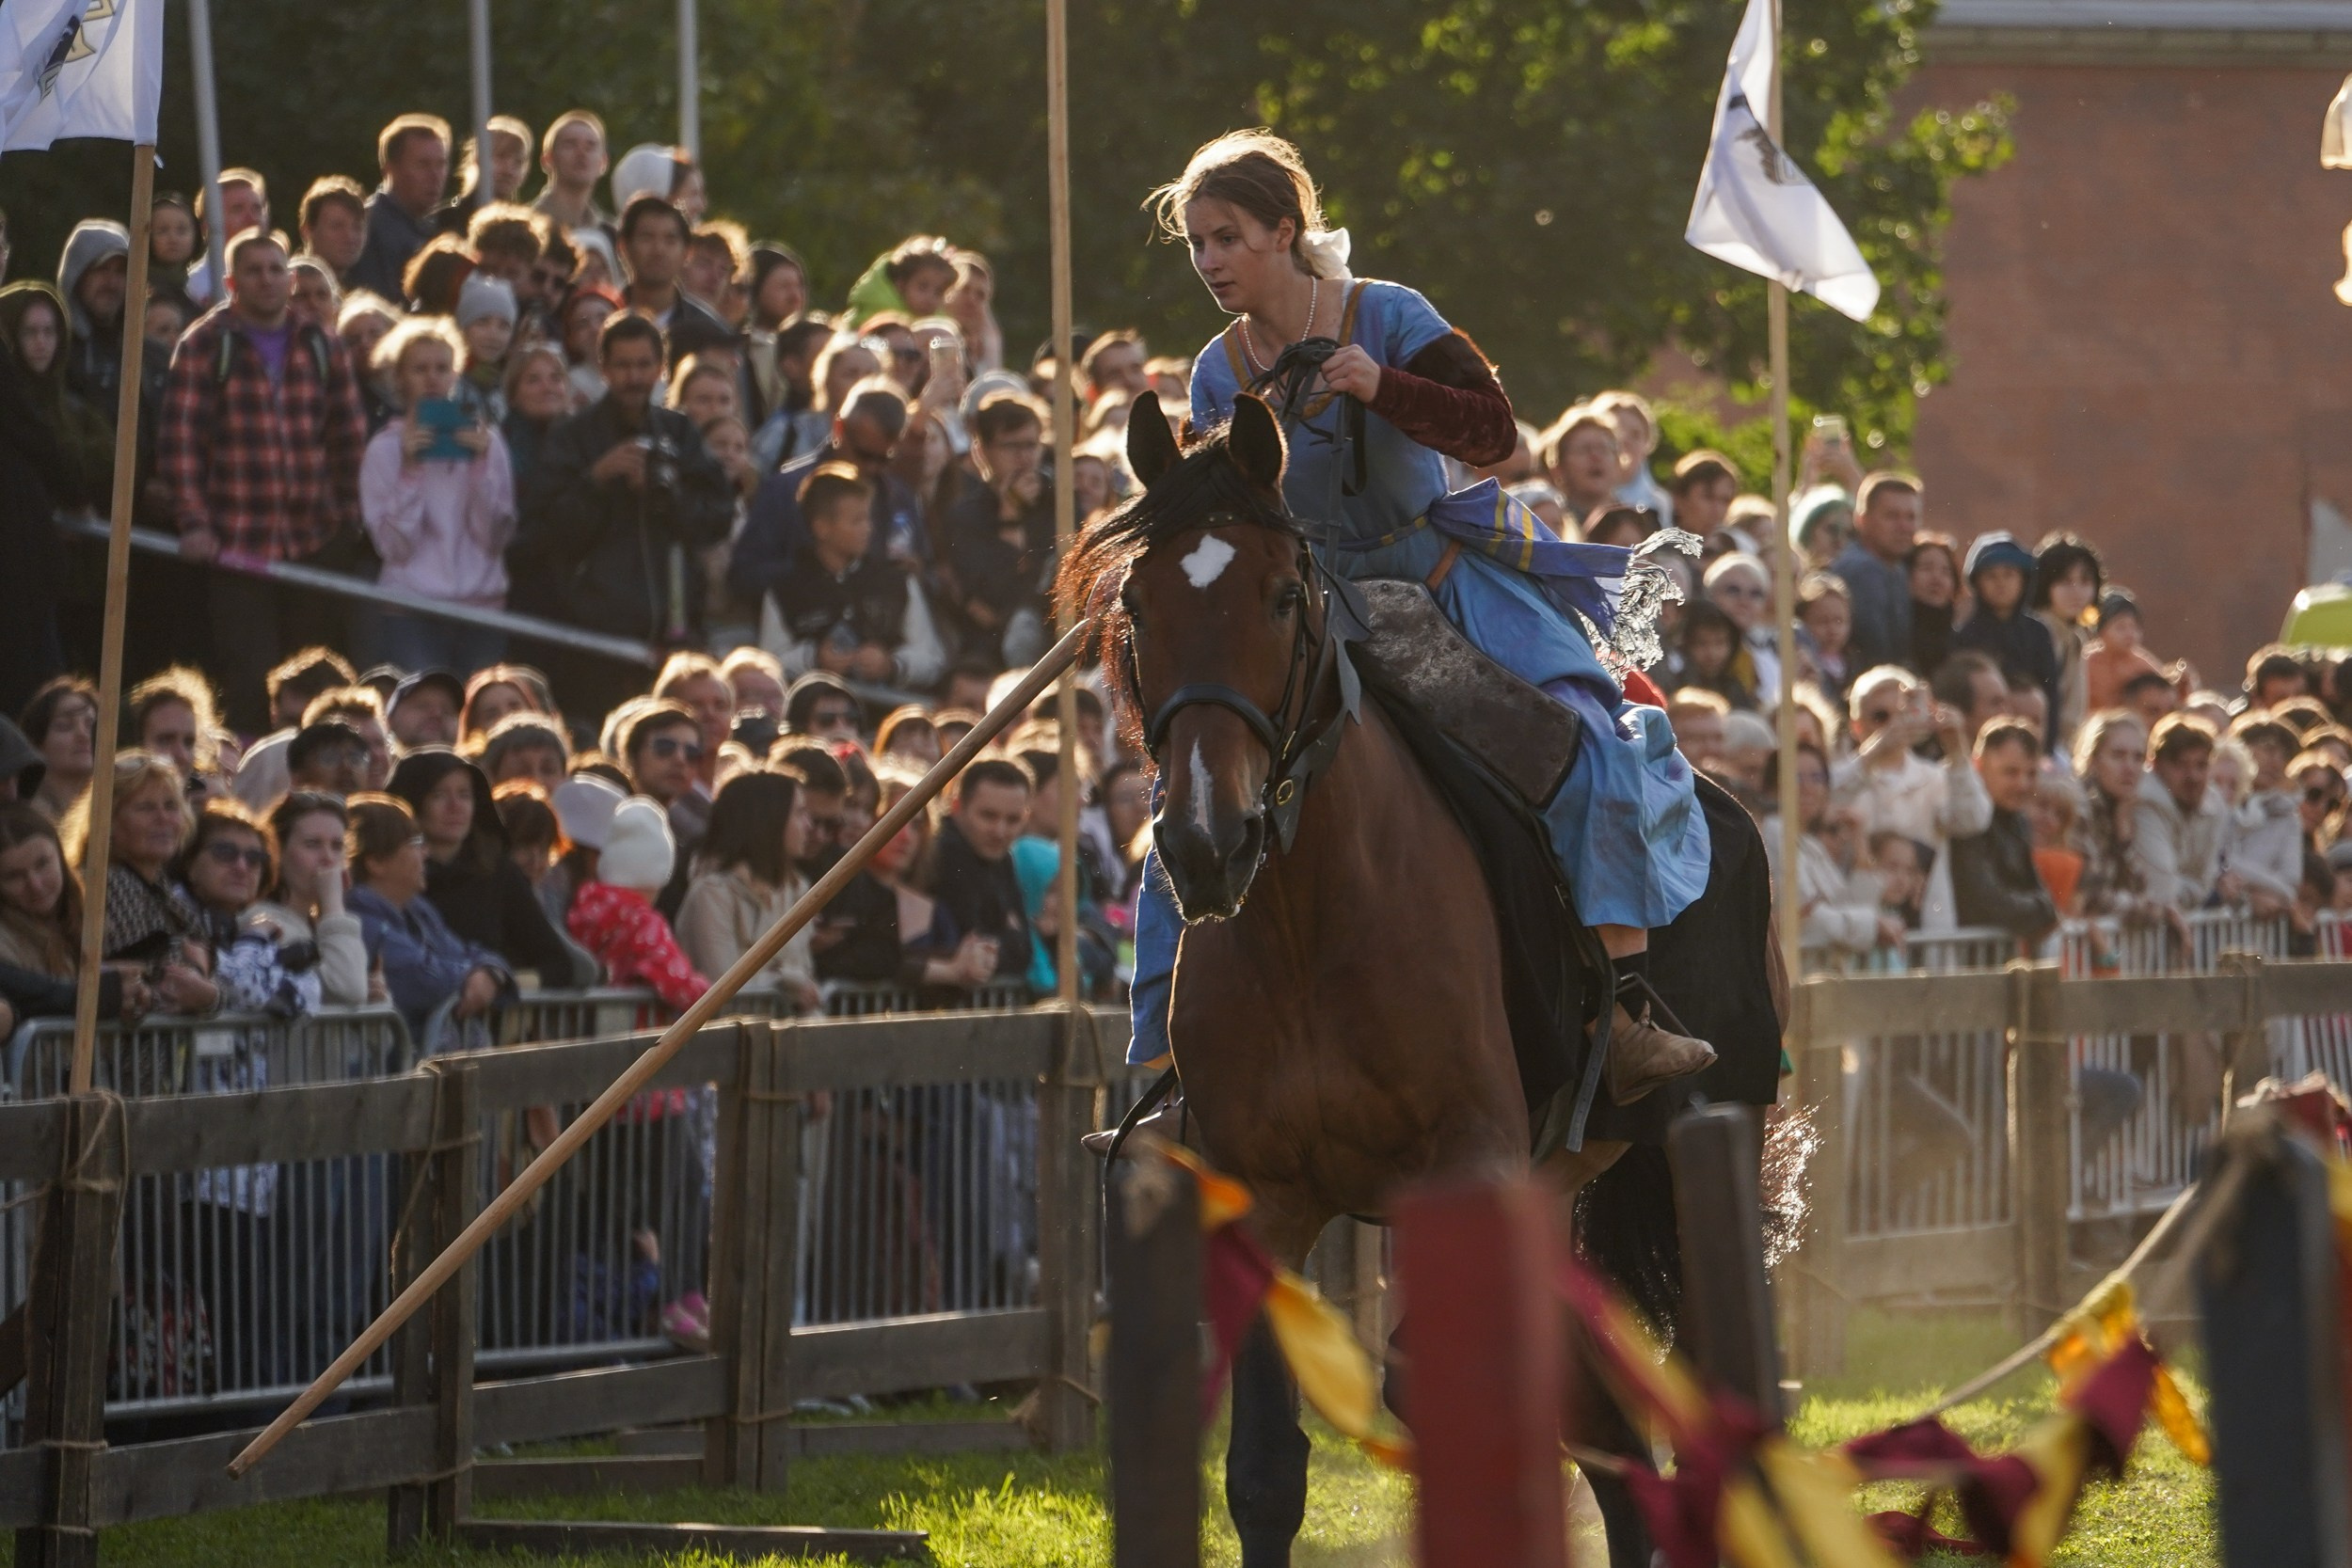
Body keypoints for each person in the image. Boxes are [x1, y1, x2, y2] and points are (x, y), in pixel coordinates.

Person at [158, 230, 369, 729]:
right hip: (237, 542)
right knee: (250, 672)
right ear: (231, 281)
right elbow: (181, 445)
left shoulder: (320, 342)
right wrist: (194, 523)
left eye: (276, 270)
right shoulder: (205, 344)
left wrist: (350, 514)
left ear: (290, 279)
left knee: (313, 675)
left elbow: (349, 435)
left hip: (314, 536)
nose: (267, 280)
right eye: (253, 271)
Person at [510, 312, 732, 668]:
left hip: (673, 636)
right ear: (604, 368)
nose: (634, 377)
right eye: (623, 366)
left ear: (661, 367)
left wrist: (667, 492)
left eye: (643, 365)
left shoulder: (680, 433)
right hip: (593, 641)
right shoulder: (572, 438)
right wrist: (596, 479)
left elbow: (717, 517)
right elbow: (544, 532)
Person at [360, 315, 516, 673]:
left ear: (455, 374)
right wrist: (411, 471)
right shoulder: (383, 450)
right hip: (411, 610)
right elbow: (394, 547)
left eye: (442, 368)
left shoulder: (488, 442)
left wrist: (478, 468)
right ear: (399, 377)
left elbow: (495, 537)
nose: (432, 378)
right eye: (420, 369)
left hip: (482, 606)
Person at [389, 750, 593, 987]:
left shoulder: (498, 873)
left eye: (464, 795)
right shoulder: (391, 872)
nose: (455, 807)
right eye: (439, 795)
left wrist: (501, 984)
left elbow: (558, 962)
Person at [1832, 666, 1990, 934]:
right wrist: (1875, 750)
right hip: (1857, 925)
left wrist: (1958, 752)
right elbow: (1822, 802)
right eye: (1881, 716)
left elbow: (1973, 820)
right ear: (1856, 725)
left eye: (1903, 714)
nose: (1895, 724)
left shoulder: (1935, 778)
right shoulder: (1839, 775)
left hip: (1925, 927)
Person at [346, 793, 515, 1044]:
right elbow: (424, 978)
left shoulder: (419, 911)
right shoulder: (360, 923)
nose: (425, 852)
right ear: (376, 862)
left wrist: (491, 972)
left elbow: (471, 951)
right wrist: (474, 975)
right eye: (415, 842)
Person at [762, 462, 946, 690]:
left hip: (887, 712)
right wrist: (815, 659)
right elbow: (767, 666)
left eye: (868, 518)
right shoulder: (785, 590)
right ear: (822, 528)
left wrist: (891, 664)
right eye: (857, 521)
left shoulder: (897, 581)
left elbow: (933, 659)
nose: (868, 528)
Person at [63, 752, 219, 1015]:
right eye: (146, 808)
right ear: (109, 821)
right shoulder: (108, 884)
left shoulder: (159, 885)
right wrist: (207, 990)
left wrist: (206, 986)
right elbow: (158, 984)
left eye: (171, 806)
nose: (163, 819)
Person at [675, 768, 821, 1012]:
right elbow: (722, 987)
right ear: (768, 820)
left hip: (793, 1040)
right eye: (799, 813)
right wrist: (786, 983)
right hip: (731, 1044)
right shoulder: (711, 894)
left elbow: (805, 976)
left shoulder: (797, 891)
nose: (809, 826)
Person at [0, 804, 148, 1026]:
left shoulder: (87, 920)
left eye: (43, 864)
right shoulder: (5, 942)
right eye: (13, 876)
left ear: (59, 856)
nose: (36, 885)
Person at [944, 390, 1057, 666]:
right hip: (988, 649)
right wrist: (1009, 516)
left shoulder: (1060, 500)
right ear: (982, 450)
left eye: (1031, 445)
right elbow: (993, 593)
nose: (1024, 457)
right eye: (1011, 446)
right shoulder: (966, 514)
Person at [241, 791, 373, 1007]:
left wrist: (377, 999)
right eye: (312, 844)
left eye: (337, 846)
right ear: (277, 852)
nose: (328, 858)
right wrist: (333, 905)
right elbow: (347, 990)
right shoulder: (263, 921)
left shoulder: (319, 926)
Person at [1759, 743, 1890, 962]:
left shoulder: (1812, 844)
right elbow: (1807, 918)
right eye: (1796, 777)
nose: (1807, 787)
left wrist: (1860, 843)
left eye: (1817, 777)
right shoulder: (1773, 832)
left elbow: (1857, 906)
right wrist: (1873, 924)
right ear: (1774, 788)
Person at [1948, 721, 2058, 942]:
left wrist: (2043, 908)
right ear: (1978, 765)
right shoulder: (1967, 818)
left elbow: (2036, 890)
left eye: (2031, 774)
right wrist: (2042, 910)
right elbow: (1984, 903)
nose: (2023, 785)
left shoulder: (2018, 820)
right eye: (2011, 772)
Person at [1, 282, 111, 506]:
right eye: (30, 332)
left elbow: (114, 462)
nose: (41, 342)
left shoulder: (75, 410)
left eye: (49, 331)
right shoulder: (9, 409)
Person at [1952, 532, 2059, 721]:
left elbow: (2050, 693)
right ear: (1977, 584)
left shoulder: (2038, 633)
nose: (2000, 583)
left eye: (2009, 574)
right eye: (1991, 576)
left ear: (2023, 581)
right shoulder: (1966, 636)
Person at [350, 115, 453, 301]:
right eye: (423, 165)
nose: (435, 175)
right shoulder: (367, 227)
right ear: (389, 169)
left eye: (441, 164)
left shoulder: (441, 226)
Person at [1830, 472, 1923, 673]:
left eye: (1911, 517)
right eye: (1891, 516)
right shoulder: (1860, 570)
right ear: (1862, 520)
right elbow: (1879, 655)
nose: (1904, 527)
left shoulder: (1897, 569)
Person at [2134, 713, 2226, 911]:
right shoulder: (2145, 800)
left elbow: (2205, 884)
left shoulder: (2214, 804)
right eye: (2181, 765)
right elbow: (2162, 888)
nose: (2192, 776)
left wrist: (2183, 888)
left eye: (2201, 765)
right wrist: (2187, 888)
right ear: (2155, 765)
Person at [616, 197, 728, 360]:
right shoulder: (600, 319)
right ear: (624, 247)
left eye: (670, 240)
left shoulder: (710, 333)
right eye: (647, 238)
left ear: (688, 252)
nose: (658, 250)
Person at [2030, 532, 2102, 752]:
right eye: (2064, 581)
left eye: (2085, 581)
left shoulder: (2074, 635)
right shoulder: (2039, 631)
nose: (2076, 591)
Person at [55, 218, 131, 422]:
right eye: (102, 269)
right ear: (77, 275)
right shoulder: (54, 350)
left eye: (121, 272)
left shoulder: (144, 351)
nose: (111, 283)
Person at [437, 115, 534, 234]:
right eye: (501, 156)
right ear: (477, 158)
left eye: (518, 162)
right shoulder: (447, 220)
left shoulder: (529, 227)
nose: (509, 170)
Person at [184, 170, 268, 307]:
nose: (252, 219)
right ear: (208, 226)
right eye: (238, 209)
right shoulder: (197, 287)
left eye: (257, 209)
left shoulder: (283, 277)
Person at [19, 676, 97, 821]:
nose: (83, 735)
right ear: (36, 744)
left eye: (90, 724)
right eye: (65, 726)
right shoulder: (26, 820)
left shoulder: (115, 813)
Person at [298, 176, 370, 286]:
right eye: (337, 226)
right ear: (307, 230)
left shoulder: (368, 291)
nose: (350, 237)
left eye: (357, 227)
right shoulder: (287, 291)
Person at [1668, 450, 1739, 544]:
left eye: (1725, 500)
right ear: (1679, 499)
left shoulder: (1735, 549)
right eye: (1708, 497)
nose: (1717, 509)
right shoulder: (1651, 548)